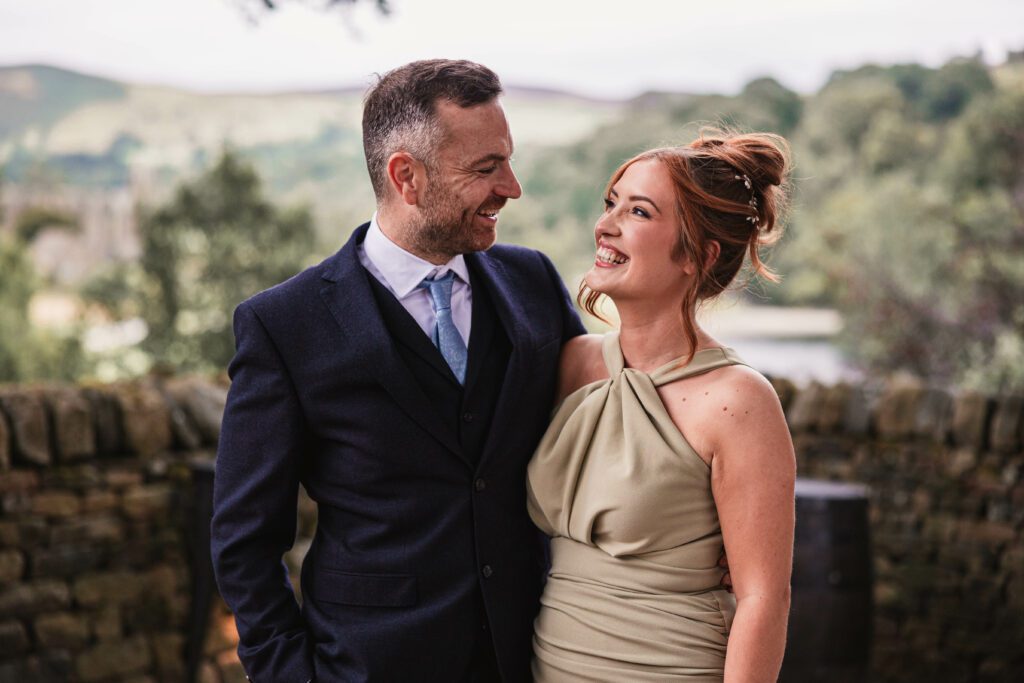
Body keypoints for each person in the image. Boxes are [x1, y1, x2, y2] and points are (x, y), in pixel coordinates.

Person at [210, 59, 586, 682]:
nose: (512, 187)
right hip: (367, 665)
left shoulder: (534, 282)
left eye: (508, 161)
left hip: (538, 658)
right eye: (486, 168)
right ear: (406, 176)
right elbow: (244, 540)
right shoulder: (284, 325)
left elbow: (601, 431)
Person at [527, 132, 796, 682]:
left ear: (697, 255)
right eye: (611, 204)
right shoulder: (570, 365)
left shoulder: (738, 401)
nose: (605, 225)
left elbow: (763, 601)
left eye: (639, 212)